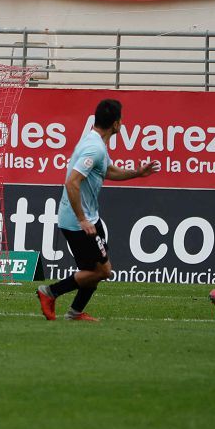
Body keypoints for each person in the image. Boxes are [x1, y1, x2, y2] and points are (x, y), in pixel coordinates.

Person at [36, 99, 160, 322]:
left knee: (95, 270)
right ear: (116, 124)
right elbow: (72, 182)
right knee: (103, 271)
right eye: (121, 119)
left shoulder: (96, 144)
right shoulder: (93, 147)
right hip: (78, 221)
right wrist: (82, 219)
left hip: (89, 216)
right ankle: (50, 292)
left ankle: (74, 313)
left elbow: (106, 171)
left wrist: (136, 173)